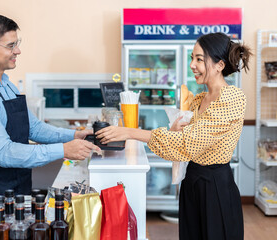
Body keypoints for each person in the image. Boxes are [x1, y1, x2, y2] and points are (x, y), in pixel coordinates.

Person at [96, 32, 251, 240]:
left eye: (199, 59)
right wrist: (174, 132)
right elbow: (179, 146)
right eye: (192, 58)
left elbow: (188, 143)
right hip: (192, 181)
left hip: (215, 186)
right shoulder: (198, 100)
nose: (192, 65)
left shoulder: (232, 98)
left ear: (219, 65)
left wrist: (129, 132)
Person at [0, 13, 100, 224]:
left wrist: (75, 134)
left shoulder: (6, 84)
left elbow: (33, 128)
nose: (18, 51)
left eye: (18, 43)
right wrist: (63, 149)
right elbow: (4, 153)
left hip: (19, 190)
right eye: (11, 45)